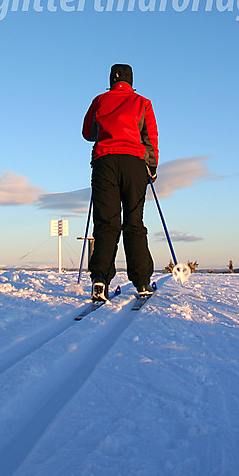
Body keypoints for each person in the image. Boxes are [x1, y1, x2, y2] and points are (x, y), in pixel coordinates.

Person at [82, 63, 158, 301]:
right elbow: (150, 137)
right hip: (134, 164)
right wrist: (152, 167)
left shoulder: (100, 100)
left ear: (111, 80)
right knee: (134, 221)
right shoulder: (143, 103)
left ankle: (100, 280)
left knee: (106, 223)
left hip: (105, 162)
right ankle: (142, 281)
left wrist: (105, 130)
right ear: (131, 81)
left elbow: (87, 133)